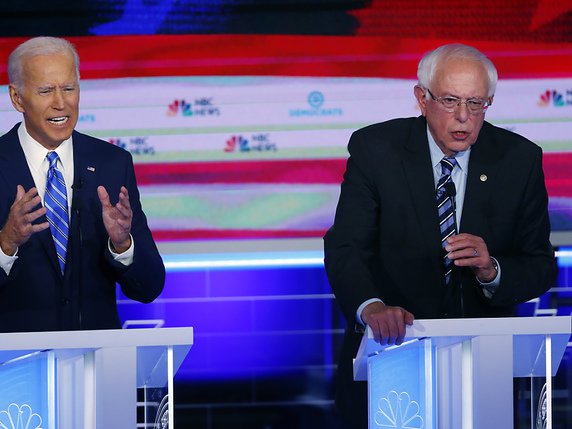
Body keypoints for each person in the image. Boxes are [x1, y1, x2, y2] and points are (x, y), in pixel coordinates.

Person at [323, 43, 557, 429]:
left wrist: (491, 269)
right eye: (449, 101)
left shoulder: (519, 159)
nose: (463, 117)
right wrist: (372, 307)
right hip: (392, 356)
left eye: (476, 103)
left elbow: (540, 264)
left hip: (484, 367)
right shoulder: (377, 150)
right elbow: (346, 245)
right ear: (422, 98)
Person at [0, 36, 165, 332]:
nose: (60, 103)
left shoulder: (112, 164)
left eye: (69, 88)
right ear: (17, 98)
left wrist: (122, 244)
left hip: (95, 363)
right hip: (14, 367)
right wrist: (6, 243)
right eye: (46, 91)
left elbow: (149, 287)